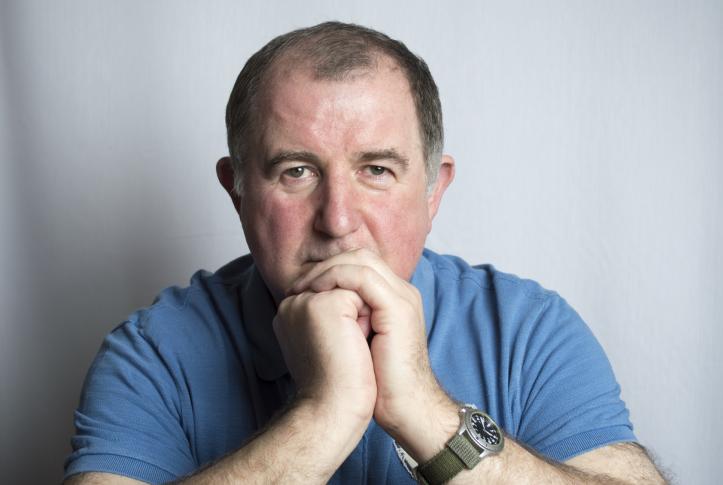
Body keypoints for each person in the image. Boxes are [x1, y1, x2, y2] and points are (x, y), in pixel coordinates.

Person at [64, 21, 665, 484]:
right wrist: (325, 412)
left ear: (433, 191)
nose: (338, 221)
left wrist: (425, 410)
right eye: (296, 171)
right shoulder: (154, 353)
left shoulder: (527, 329)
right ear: (237, 191)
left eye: (376, 170)